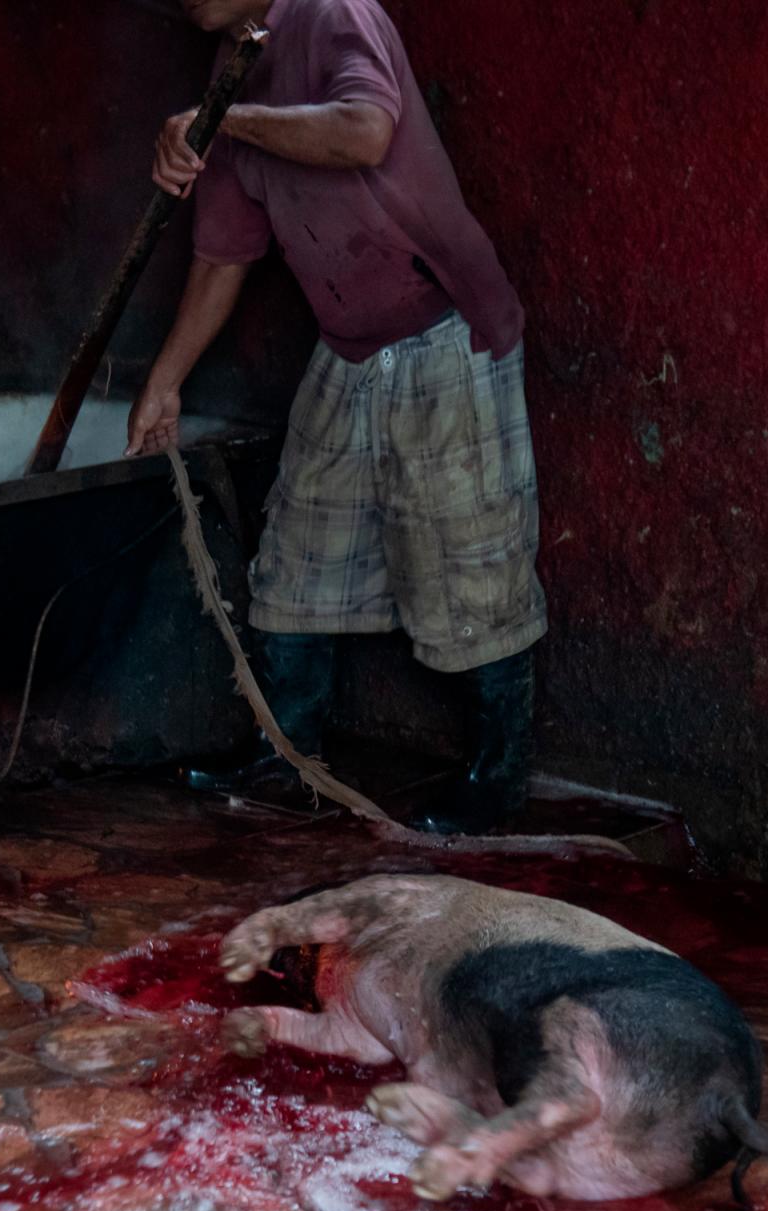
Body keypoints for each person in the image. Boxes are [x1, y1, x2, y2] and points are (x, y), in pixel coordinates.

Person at [125, 0, 545, 836]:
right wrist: (164, 382)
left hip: (444, 327)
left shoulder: (331, 12)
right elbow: (223, 255)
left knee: (472, 558)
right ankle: (292, 753)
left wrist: (223, 121)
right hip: (350, 341)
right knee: (297, 552)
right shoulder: (232, 69)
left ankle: (499, 776)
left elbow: (365, 131)